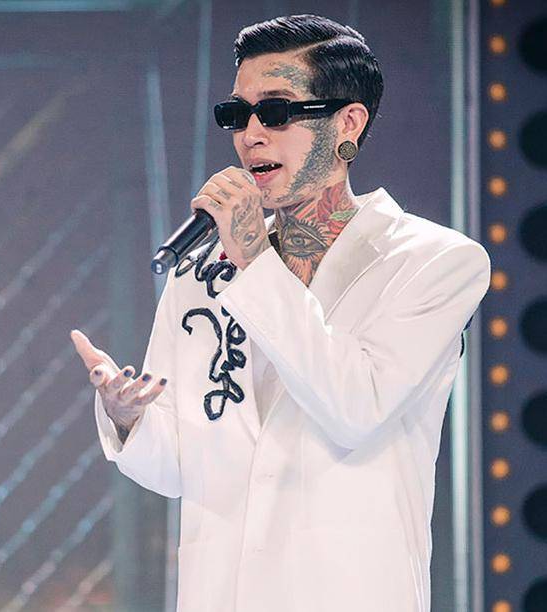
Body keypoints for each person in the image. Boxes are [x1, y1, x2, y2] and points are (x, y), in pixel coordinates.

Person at [71, 14, 490, 612]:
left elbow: (356, 408)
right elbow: (176, 467)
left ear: (348, 122)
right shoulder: (200, 272)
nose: (250, 135)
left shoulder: (435, 261)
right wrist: (127, 418)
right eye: (236, 115)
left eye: (275, 111)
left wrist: (252, 256)